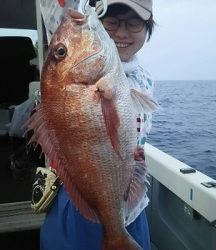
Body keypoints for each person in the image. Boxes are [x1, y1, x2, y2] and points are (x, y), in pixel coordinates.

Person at [40, 0, 156, 249]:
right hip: (80, 198)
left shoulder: (143, 77)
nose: (122, 32)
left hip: (130, 201)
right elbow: (57, 12)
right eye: (112, 22)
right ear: (100, 21)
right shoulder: (88, 69)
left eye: (134, 23)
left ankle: (118, 234)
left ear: (148, 29)